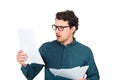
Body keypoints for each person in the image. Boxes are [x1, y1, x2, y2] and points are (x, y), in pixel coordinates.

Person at [16, 10, 100, 80]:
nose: (56, 31)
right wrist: (24, 63)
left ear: (72, 29)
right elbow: (30, 75)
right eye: (55, 27)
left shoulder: (85, 51)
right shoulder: (46, 48)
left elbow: (94, 76)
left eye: (61, 28)